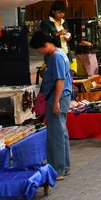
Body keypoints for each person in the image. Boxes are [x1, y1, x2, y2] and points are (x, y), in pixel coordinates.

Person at [29, 31, 72, 181]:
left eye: (38, 49)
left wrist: (56, 101)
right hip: (59, 97)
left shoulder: (57, 57)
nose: (39, 52)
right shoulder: (57, 55)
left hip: (58, 98)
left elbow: (59, 80)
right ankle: (63, 167)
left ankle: (58, 169)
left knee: (56, 135)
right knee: (60, 132)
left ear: (43, 44)